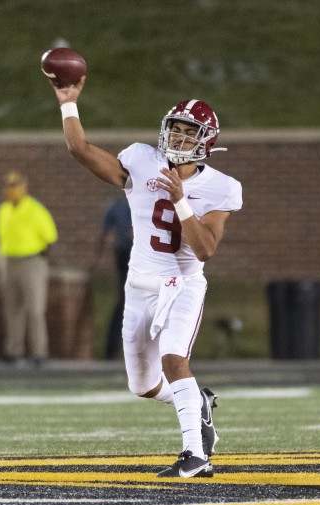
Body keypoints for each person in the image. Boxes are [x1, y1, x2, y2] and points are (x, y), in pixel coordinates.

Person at [50, 77, 242, 478]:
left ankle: (196, 455)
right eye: (176, 127)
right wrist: (69, 104)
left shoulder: (220, 187)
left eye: (190, 132)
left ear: (206, 142)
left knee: (174, 360)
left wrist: (180, 201)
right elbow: (80, 150)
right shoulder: (140, 159)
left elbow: (205, 249)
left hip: (183, 285)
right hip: (139, 284)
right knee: (142, 385)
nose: (179, 136)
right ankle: (198, 403)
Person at [0, 170, 58, 366]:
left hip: (32, 262)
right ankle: (13, 350)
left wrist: (43, 261)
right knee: (12, 309)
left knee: (35, 309)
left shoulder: (35, 210)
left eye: (15, 185)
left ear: (24, 187)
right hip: (11, 261)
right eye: (9, 186)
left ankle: (39, 352)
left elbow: (50, 238)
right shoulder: (3, 210)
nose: (11, 190)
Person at [92, 196, 132, 360]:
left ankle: (113, 350)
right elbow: (106, 233)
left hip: (133, 253)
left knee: (127, 301)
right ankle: (112, 349)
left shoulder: (118, 206)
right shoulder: (120, 206)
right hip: (129, 254)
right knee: (126, 300)